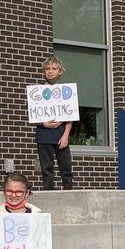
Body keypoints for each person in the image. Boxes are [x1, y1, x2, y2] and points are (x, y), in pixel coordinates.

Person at [35, 55, 73, 190]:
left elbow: (70, 116)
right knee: (46, 169)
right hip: (43, 135)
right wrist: (44, 124)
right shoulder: (37, 93)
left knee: (66, 168)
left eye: (54, 68)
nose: (50, 71)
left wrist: (66, 135)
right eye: (47, 69)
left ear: (60, 71)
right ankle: (48, 195)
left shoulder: (66, 92)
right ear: (43, 71)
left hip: (60, 135)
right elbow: (33, 114)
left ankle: (69, 195)